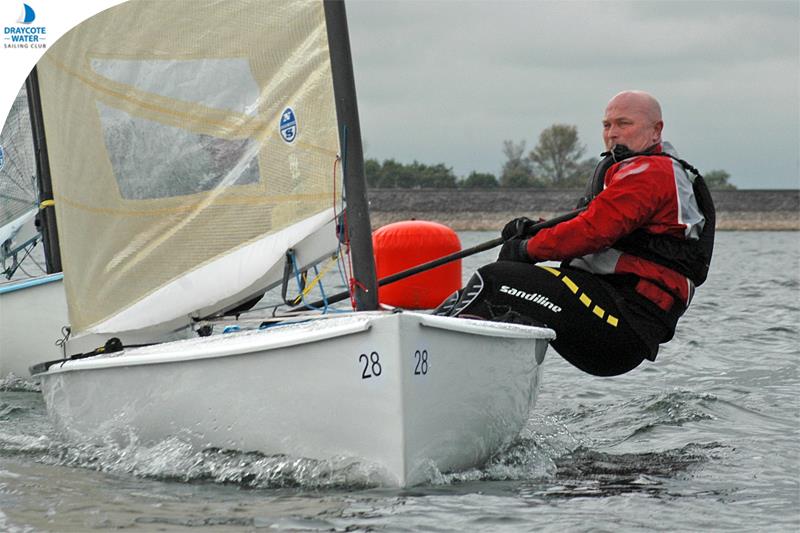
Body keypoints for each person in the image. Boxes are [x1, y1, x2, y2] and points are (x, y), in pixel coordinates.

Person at [434, 90, 715, 376]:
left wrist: (527, 248)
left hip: (623, 323)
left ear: (657, 130)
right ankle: (458, 357)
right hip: (607, 309)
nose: (613, 133)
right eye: (607, 125)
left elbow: (592, 232)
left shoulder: (651, 174)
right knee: (500, 291)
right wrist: (533, 229)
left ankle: (432, 359)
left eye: (624, 124)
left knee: (493, 279)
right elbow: (591, 224)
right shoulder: (632, 172)